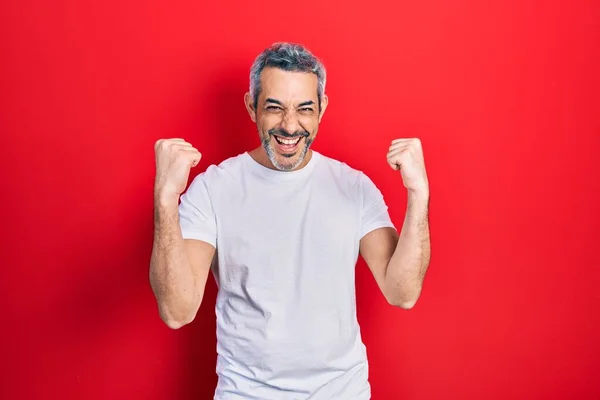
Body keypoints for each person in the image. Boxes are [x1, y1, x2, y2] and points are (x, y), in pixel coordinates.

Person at [149, 42, 431, 400]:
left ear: (322, 109)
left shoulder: (354, 187)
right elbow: (177, 310)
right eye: (274, 108)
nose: (289, 125)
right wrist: (165, 199)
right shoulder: (214, 189)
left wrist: (419, 195)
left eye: (304, 109)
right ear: (252, 106)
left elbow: (402, 293)